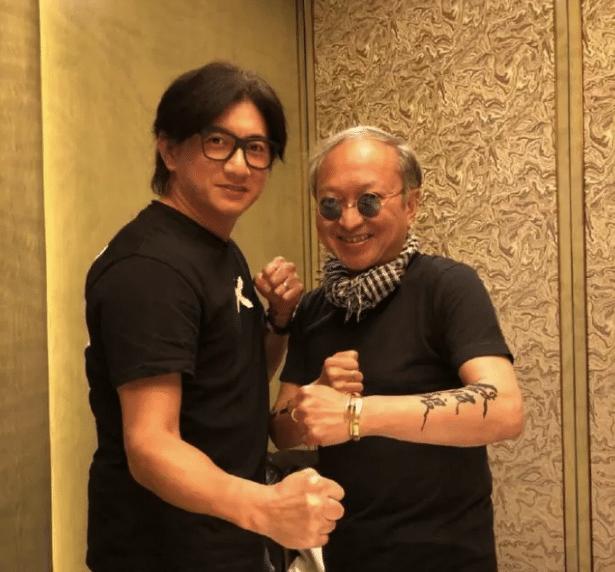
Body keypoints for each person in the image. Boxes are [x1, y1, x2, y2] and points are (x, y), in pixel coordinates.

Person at [84, 62, 344, 572]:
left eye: (256, 148)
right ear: (169, 150)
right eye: (218, 142)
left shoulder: (218, 250)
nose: (240, 165)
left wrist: (279, 321)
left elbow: (233, 378)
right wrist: (266, 507)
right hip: (162, 552)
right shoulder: (150, 267)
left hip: (225, 540)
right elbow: (151, 445)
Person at [270, 126, 524, 572]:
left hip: (447, 559)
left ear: (410, 204)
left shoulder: (448, 286)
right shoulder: (314, 307)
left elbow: (504, 409)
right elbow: (282, 430)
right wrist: (313, 398)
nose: (349, 221)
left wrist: (356, 415)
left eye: (369, 201)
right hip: (347, 555)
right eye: (330, 205)